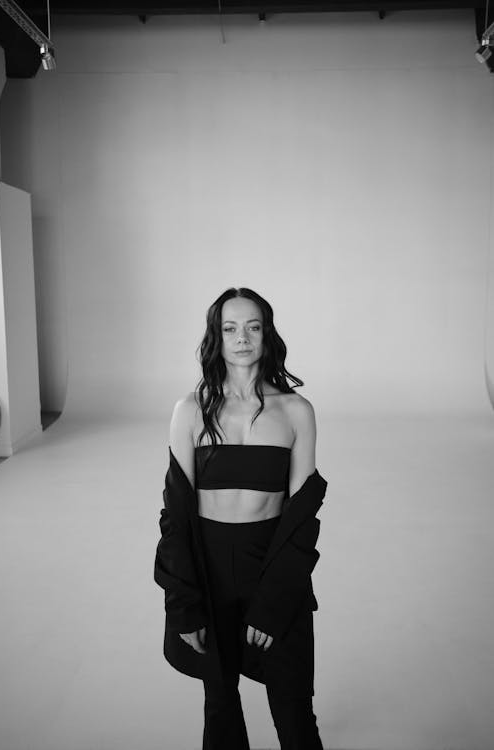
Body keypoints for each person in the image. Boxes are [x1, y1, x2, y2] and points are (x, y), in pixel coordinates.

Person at [154, 286, 328, 750]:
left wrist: (273, 602)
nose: (243, 338)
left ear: (266, 334)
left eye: (253, 327)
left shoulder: (296, 411)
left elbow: (302, 518)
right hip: (209, 574)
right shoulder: (189, 410)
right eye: (230, 328)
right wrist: (184, 603)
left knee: (293, 710)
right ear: (217, 337)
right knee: (221, 708)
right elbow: (176, 514)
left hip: (271, 566)